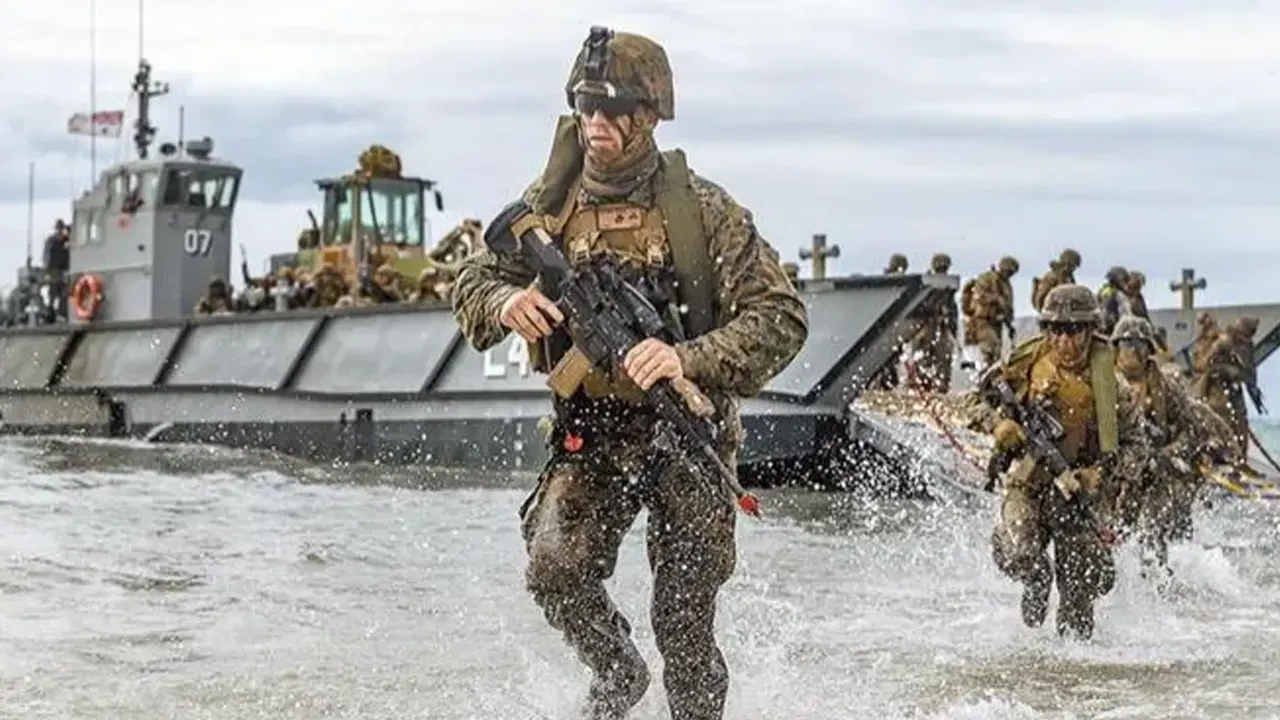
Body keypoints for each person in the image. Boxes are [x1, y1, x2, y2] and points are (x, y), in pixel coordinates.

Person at [450, 26, 808, 720]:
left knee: (683, 621)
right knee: (554, 569)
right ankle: (616, 673)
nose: (596, 123)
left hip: (688, 432)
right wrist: (506, 300)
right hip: (593, 430)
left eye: (612, 109)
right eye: (586, 107)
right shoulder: (550, 204)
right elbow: (474, 280)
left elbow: (782, 317)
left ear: (648, 116)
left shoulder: (701, 211)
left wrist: (686, 357)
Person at [978, 284, 1144, 640]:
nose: (1064, 342)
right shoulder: (1025, 363)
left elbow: (1138, 447)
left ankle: (1072, 679)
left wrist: (1100, 473)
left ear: (1090, 330)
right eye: (1056, 330)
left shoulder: (1109, 384)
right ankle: (1037, 580)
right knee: (1019, 554)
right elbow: (975, 401)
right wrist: (999, 426)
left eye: (1074, 331)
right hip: (1030, 482)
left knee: (1083, 593)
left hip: (1078, 496)